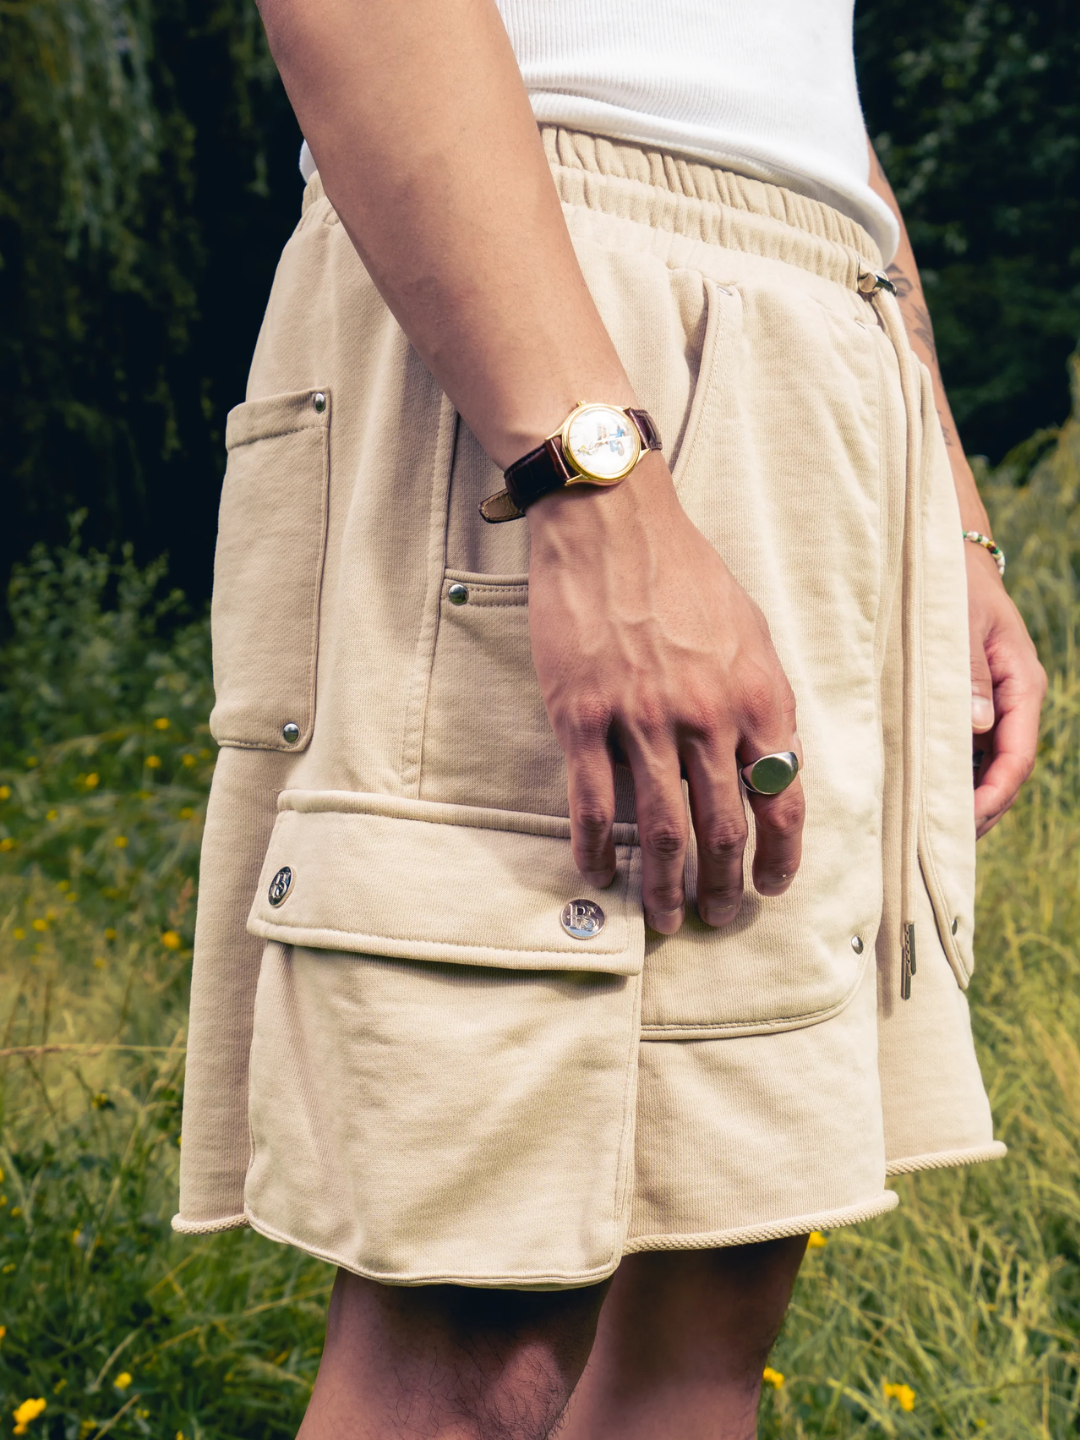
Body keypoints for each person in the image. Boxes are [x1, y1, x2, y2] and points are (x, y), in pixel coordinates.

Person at [173, 1, 1047, 1435]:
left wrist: (947, 508)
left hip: (817, 332)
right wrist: (589, 482)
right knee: (473, 1341)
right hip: (548, 291)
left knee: (717, 1285)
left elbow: (792, 82)